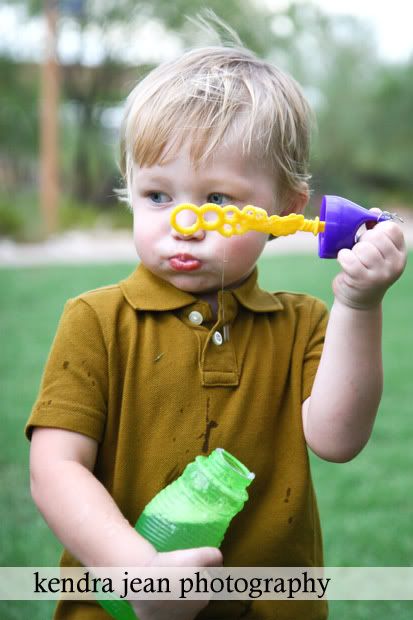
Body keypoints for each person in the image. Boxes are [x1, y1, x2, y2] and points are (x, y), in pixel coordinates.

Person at [26, 32, 406, 620]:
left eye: (217, 201)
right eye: (157, 195)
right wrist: (135, 573)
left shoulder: (303, 325)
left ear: (286, 210)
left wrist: (360, 305)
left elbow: (337, 440)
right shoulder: (95, 321)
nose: (185, 224)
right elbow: (55, 470)